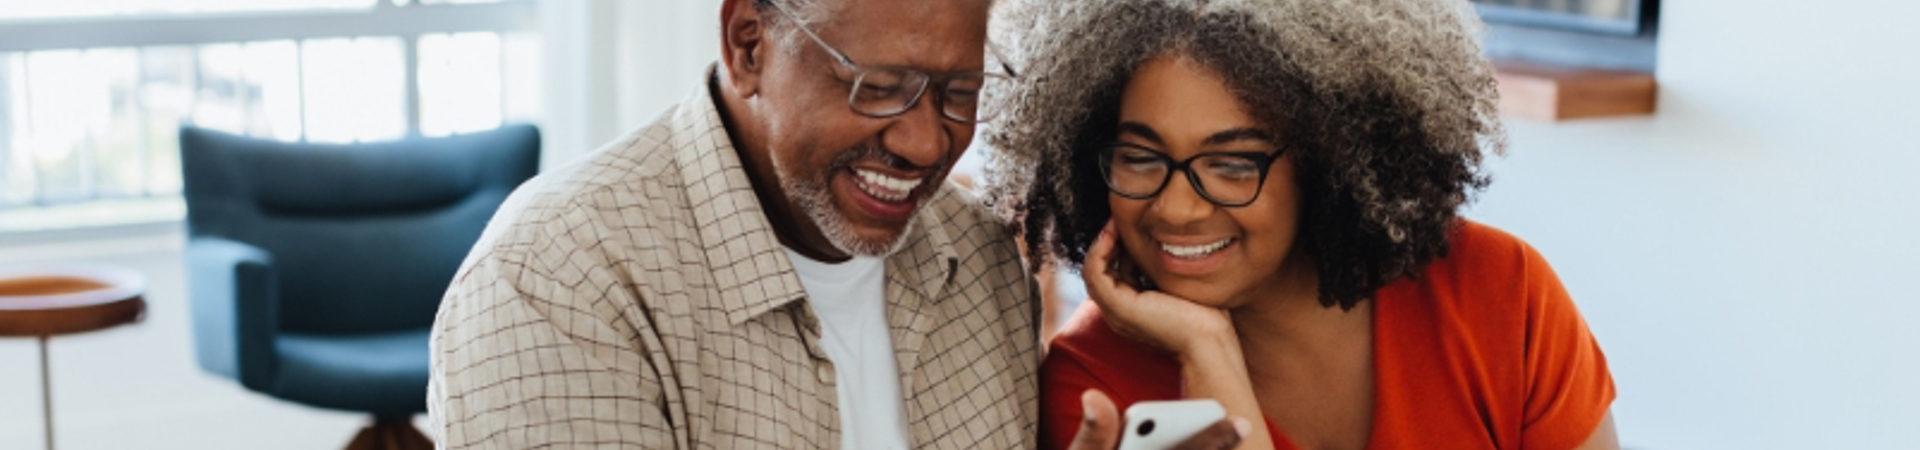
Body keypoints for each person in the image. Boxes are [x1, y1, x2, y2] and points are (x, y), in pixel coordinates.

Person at [426, 0, 1242, 448]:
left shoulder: (979, 255)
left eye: (959, 93)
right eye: (878, 88)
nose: (927, 143)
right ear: (750, 45)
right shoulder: (555, 282)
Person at [983, 0, 1621, 449]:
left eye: (1232, 164)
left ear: (1328, 162)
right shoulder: (1094, 387)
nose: (1176, 208)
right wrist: (1208, 351)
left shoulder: (1501, 296)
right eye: (1141, 157)